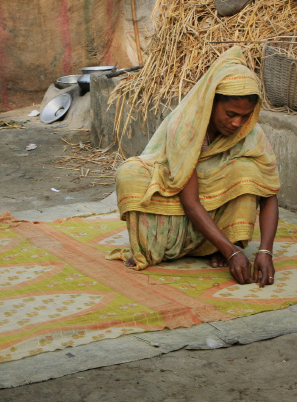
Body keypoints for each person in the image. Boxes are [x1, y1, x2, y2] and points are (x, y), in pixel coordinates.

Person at [111, 47, 282, 286]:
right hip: (179, 193)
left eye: (245, 116)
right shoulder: (187, 126)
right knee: (129, 176)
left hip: (209, 202)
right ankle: (216, 245)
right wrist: (231, 253)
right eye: (231, 114)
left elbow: (269, 194)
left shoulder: (249, 133)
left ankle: (217, 244)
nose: (237, 123)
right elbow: (189, 201)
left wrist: (265, 252)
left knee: (247, 172)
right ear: (212, 102)